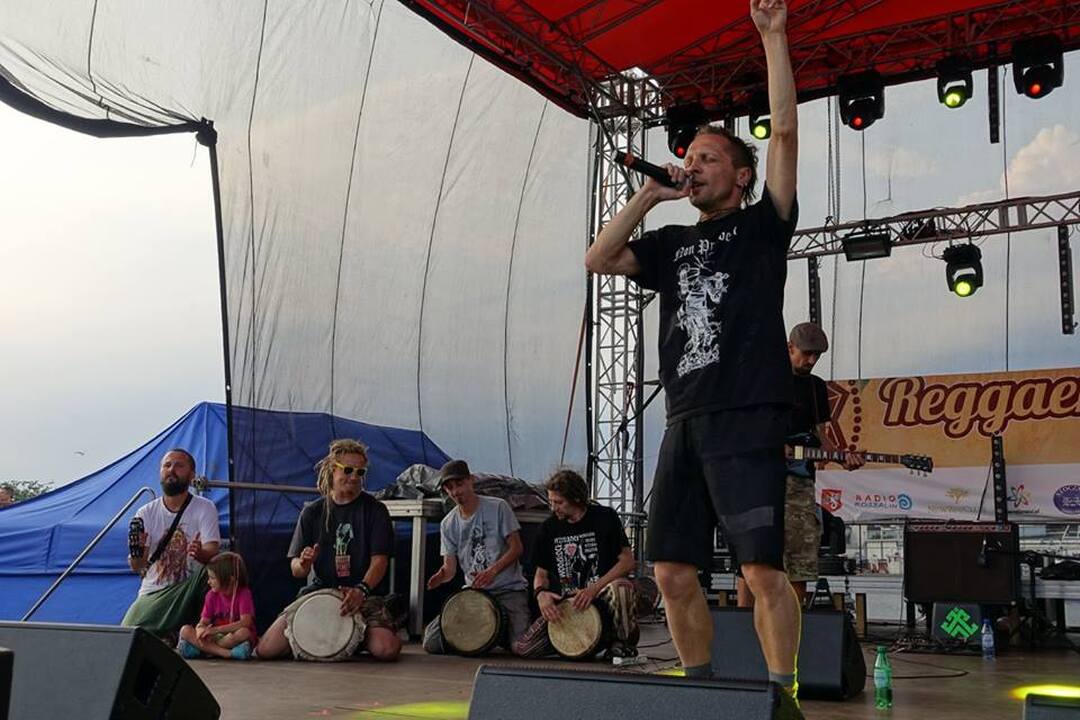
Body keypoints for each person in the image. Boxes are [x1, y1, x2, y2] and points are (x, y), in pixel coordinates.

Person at [583, 0, 801, 697]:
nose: (693, 165)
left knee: (761, 572)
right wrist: (650, 196)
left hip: (745, 414)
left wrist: (773, 37)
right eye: (689, 157)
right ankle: (701, 692)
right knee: (672, 571)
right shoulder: (671, 242)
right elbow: (598, 258)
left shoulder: (763, 226)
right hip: (684, 420)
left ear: (740, 177)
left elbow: (785, 132)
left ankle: (782, 696)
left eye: (708, 158)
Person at [737, 322, 865, 607]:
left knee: (801, 555)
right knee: (754, 553)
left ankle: (795, 623)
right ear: (789, 348)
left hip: (800, 482)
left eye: (816, 355)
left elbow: (821, 435)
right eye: (806, 353)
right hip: (760, 478)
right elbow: (742, 426)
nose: (811, 360)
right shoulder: (763, 378)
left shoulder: (816, 387)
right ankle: (743, 620)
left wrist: (842, 458)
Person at [256, 439, 402, 661]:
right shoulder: (312, 512)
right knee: (266, 649)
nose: (354, 477)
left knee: (387, 649)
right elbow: (296, 569)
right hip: (321, 591)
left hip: (363, 594)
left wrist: (361, 591)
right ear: (333, 469)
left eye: (360, 472)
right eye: (348, 470)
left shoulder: (375, 510)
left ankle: (358, 634)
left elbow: (379, 561)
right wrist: (303, 563)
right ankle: (334, 635)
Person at [514, 469, 639, 659]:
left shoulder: (605, 517)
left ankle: (622, 641)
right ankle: (577, 643)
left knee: (621, 588)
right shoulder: (548, 528)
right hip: (569, 604)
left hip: (601, 594)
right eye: (550, 502)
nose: (553, 508)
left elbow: (627, 561)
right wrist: (541, 595)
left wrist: (593, 589)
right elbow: (541, 574)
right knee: (525, 648)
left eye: (559, 502)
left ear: (577, 499)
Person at [423, 459, 530, 655]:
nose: (456, 492)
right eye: (450, 488)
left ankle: (498, 632)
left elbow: (516, 548)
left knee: (520, 648)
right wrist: (441, 575)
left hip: (508, 590)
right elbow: (450, 569)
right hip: (475, 594)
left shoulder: (498, 507)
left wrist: (492, 571)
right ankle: (489, 634)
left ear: (471, 480)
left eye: (459, 484)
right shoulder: (448, 523)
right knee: (431, 642)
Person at [122, 449, 221, 639]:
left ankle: (197, 631)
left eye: (179, 465)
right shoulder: (145, 512)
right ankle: (172, 634)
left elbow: (212, 550)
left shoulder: (204, 507)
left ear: (192, 475)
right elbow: (137, 567)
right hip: (154, 593)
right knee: (128, 634)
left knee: (220, 566)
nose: (171, 470)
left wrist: (200, 553)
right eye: (167, 465)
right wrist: (137, 552)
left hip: (189, 587)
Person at [178, 551, 257, 660]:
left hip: (230, 637)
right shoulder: (211, 595)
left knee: (244, 632)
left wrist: (216, 630)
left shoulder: (244, 594)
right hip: (216, 637)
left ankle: (205, 650)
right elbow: (203, 622)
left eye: (212, 578)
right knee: (185, 630)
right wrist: (200, 628)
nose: (208, 582)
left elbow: (246, 622)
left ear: (230, 579)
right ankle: (227, 653)